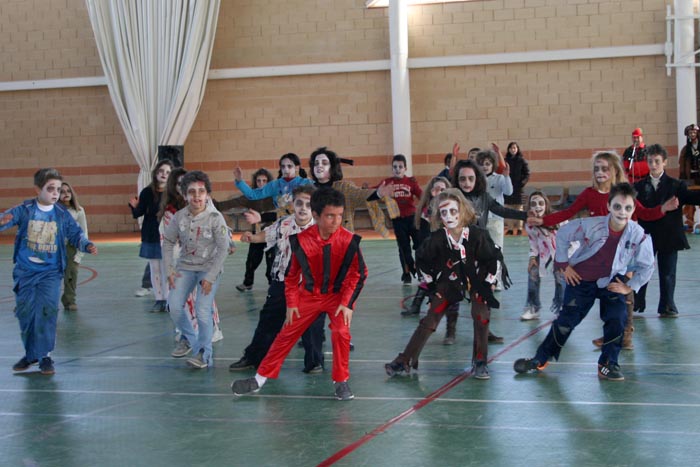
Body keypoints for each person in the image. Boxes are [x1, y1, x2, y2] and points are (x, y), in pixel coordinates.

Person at [231, 187, 367, 401]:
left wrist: (348, 302)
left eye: (339, 215)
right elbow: (292, 277)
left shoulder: (349, 241)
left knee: (341, 332)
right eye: (330, 216)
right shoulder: (301, 241)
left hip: (338, 297)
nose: (336, 221)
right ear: (316, 215)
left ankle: (340, 381)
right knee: (285, 334)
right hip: (309, 296)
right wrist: (292, 304)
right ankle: (259, 379)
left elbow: (358, 274)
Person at [514, 183, 655, 381]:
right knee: (565, 322)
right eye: (617, 207)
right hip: (581, 279)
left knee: (617, 319)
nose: (622, 213)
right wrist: (564, 264)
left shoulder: (638, 235)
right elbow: (563, 234)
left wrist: (630, 286)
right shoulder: (592, 225)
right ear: (608, 206)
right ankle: (540, 358)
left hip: (612, 281)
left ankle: (608, 364)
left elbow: (647, 265)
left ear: (633, 210)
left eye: (628, 208)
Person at [385, 188, 508, 380]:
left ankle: (480, 361)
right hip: (450, 283)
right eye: (444, 212)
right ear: (438, 216)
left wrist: (489, 281)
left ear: (462, 211)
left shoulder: (477, 235)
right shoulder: (437, 239)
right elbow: (422, 260)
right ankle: (404, 360)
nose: (449, 216)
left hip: (477, 281)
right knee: (430, 320)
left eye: (453, 211)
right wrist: (432, 284)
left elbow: (494, 258)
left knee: (481, 315)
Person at [2, 168, 97, 375]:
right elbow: (5, 219)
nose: (55, 193)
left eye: (58, 189)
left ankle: (45, 356)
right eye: (50, 189)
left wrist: (86, 244)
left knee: (47, 312)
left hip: (50, 273)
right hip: (25, 272)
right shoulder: (25, 209)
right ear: (38, 189)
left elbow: (75, 233)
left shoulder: (61, 214)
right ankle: (31, 354)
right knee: (25, 313)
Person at [228, 185, 319, 372]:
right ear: (292, 204)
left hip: (308, 286)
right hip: (282, 282)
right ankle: (254, 357)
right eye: (299, 203)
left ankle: (314, 362)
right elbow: (267, 235)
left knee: (311, 326)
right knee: (268, 321)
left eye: (308, 205)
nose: (303, 208)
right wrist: (252, 238)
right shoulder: (284, 223)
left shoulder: (320, 229)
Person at [453, 159, 532, 344]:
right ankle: (447, 330)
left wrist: (526, 216)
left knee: (481, 297)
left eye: (470, 178)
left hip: (479, 253)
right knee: (446, 301)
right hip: (458, 254)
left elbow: (502, 210)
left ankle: (484, 333)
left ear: (477, 179)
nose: (466, 183)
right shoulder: (453, 198)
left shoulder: (484, 197)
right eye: (462, 179)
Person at [162, 171, 230, 369]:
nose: (197, 196)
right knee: (173, 306)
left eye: (201, 191)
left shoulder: (215, 218)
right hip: (186, 266)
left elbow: (224, 247)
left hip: (209, 268)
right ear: (184, 195)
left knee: (202, 310)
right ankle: (193, 341)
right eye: (192, 192)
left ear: (208, 194)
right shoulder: (179, 217)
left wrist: (210, 277)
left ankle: (204, 354)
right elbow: (167, 241)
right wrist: (169, 269)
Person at [633, 144, 700, 317]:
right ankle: (637, 302)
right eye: (650, 161)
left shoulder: (676, 185)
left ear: (664, 162)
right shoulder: (638, 187)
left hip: (669, 236)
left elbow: (694, 197)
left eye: (656, 161)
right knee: (642, 270)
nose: (653, 165)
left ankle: (667, 305)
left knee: (668, 273)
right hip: (646, 237)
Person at [216, 168, 276, 292]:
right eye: (258, 181)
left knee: (272, 264)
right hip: (256, 234)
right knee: (251, 261)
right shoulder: (251, 196)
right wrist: (212, 204)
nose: (261, 184)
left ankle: (273, 286)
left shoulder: (275, 196)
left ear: (269, 182)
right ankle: (248, 283)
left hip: (273, 234)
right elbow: (231, 202)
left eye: (264, 181)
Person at [401, 176, 450, 319]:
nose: (439, 192)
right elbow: (423, 236)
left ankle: (446, 313)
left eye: (443, 189)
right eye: (436, 189)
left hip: (448, 251)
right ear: (431, 191)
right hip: (430, 251)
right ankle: (417, 306)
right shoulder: (426, 210)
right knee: (427, 279)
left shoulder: (452, 209)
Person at [129, 159, 173, 313]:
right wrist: (133, 206)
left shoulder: (174, 194)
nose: (164, 174)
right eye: (161, 171)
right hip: (151, 234)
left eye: (168, 172)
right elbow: (138, 213)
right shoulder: (147, 192)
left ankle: (168, 299)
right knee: (155, 268)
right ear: (156, 173)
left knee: (167, 269)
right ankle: (159, 299)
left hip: (169, 236)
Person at [520, 191, 565, 321]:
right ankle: (533, 307)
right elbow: (533, 242)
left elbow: (570, 237)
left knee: (560, 276)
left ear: (546, 205)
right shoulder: (529, 223)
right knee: (533, 272)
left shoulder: (557, 217)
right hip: (543, 251)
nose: (537, 206)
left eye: (541, 203)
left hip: (561, 250)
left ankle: (561, 308)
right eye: (533, 204)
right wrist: (532, 257)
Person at [380, 154, 423, 285]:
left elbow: (422, 196)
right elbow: (375, 191)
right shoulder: (387, 182)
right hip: (398, 220)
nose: (397, 169)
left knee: (420, 246)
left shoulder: (411, 182)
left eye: (400, 167)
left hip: (412, 218)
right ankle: (406, 273)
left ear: (405, 168)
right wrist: (364, 189)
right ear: (392, 168)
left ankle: (421, 271)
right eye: (395, 167)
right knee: (404, 249)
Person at [477, 149, 512, 289]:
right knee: (481, 252)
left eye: (487, 163)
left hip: (496, 220)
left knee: (497, 250)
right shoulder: (475, 180)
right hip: (480, 220)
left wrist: (507, 177)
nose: (485, 166)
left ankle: (496, 281)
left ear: (492, 164)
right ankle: (483, 278)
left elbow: (509, 192)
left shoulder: (499, 178)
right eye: (482, 164)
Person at [233, 153, 312, 210]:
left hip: (304, 221)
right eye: (283, 166)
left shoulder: (306, 183)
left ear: (297, 167)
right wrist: (240, 180)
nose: (286, 169)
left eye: (289, 166)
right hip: (283, 223)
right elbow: (252, 195)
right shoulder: (275, 185)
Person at [58, 181, 88, 311]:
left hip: (71, 247)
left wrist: (80, 253)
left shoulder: (79, 210)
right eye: (62, 192)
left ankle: (69, 300)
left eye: (68, 191)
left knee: (72, 273)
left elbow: (84, 232)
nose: (66, 194)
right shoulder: (53, 210)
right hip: (54, 248)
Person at [503, 141, 530, 235]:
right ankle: (510, 228)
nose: (513, 150)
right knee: (508, 208)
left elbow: (527, 174)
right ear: (508, 149)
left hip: (518, 188)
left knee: (519, 208)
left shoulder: (522, 161)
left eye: (514, 148)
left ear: (517, 149)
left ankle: (519, 228)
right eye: (511, 148)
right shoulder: (505, 161)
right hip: (508, 187)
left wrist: (522, 183)